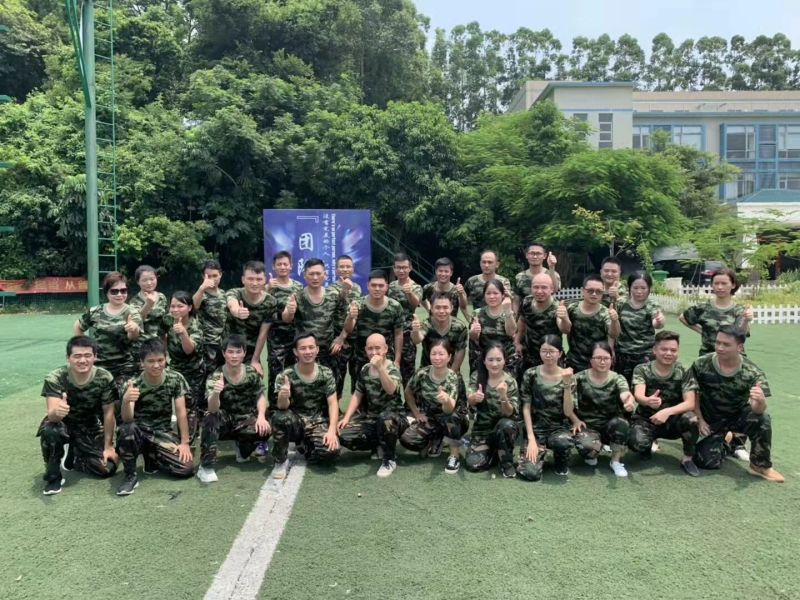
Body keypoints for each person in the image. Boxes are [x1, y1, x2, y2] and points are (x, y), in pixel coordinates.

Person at [686, 326, 784, 482]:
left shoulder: (753, 372)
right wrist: (700, 419)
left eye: (726, 344)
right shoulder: (701, 364)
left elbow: (757, 410)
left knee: (762, 418)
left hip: (736, 416)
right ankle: (728, 442)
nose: (720, 347)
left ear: (740, 347)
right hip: (710, 418)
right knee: (706, 462)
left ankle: (760, 465)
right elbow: (692, 393)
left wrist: (760, 401)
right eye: (718, 342)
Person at [38, 336, 119, 495]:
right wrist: (58, 412)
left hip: (90, 425)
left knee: (107, 468)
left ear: (95, 357)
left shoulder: (104, 377)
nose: (83, 360)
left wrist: (109, 446)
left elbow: (108, 413)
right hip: (62, 424)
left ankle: (75, 456)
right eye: (77, 356)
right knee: (50, 430)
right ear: (68, 358)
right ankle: (54, 476)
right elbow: (52, 416)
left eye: (88, 355)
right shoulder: (55, 378)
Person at [116, 339, 194, 495]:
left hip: (161, 432)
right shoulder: (133, 384)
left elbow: (181, 412)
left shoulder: (175, 378)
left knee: (186, 468)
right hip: (139, 432)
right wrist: (126, 400)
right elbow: (127, 419)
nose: (156, 365)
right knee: (127, 429)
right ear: (142, 362)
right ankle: (130, 476)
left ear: (166, 359)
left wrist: (184, 443)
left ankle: (152, 456)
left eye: (160, 360)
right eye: (151, 361)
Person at [196, 335, 271, 483]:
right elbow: (212, 408)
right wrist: (216, 393)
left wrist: (261, 416)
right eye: (230, 352)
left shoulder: (251, 373)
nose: (234, 356)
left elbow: (260, 396)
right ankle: (206, 467)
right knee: (210, 418)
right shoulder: (216, 376)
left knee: (267, 427)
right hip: (225, 421)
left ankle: (242, 447)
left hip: (244, 419)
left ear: (244, 353)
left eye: (238, 352)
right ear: (224, 353)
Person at [627, 331, 700, 476]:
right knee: (636, 442)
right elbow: (639, 395)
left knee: (691, 419)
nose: (668, 353)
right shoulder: (642, 369)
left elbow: (690, 403)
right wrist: (648, 401)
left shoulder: (684, 370)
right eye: (664, 349)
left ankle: (687, 458)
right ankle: (647, 445)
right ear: (654, 350)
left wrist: (667, 411)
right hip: (648, 419)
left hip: (673, 421)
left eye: (673, 350)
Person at [269, 332, 341, 479]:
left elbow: (333, 403)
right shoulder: (285, 375)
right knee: (279, 417)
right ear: (295, 352)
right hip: (296, 423)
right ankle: (280, 460)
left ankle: (306, 446)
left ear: (317, 349)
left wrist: (331, 431)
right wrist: (284, 395)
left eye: (311, 347)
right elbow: (282, 407)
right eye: (303, 348)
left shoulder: (326, 373)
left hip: (317, 423)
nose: (308, 352)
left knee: (331, 452)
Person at [338, 333, 407, 478]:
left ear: (386, 349)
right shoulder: (365, 369)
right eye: (370, 349)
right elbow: (358, 394)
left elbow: (391, 390)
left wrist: (381, 368)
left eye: (377, 348)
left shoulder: (392, 368)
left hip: (394, 419)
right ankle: (379, 444)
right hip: (372, 419)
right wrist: (347, 418)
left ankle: (389, 459)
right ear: (365, 350)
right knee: (344, 435)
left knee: (386, 419)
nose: (374, 352)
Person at [517, 336, 580, 481]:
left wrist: (566, 384)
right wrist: (531, 438)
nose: (548, 355)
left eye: (552, 351)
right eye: (544, 351)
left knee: (563, 442)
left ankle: (561, 457)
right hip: (536, 428)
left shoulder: (568, 376)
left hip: (559, 428)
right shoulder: (531, 374)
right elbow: (526, 408)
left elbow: (568, 412)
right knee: (531, 473)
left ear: (560, 353)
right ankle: (539, 452)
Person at [400, 340, 468, 474]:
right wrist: (417, 413)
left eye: (441, 354)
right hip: (431, 418)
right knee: (408, 439)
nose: (437, 358)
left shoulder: (453, 377)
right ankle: (436, 438)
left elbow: (449, 409)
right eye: (434, 354)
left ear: (449, 357)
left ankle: (454, 455)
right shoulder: (422, 373)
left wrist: (446, 400)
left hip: (454, 419)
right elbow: (408, 392)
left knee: (451, 418)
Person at [572, 341, 636, 477]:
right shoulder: (579, 378)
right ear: (591, 360)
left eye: (606, 358)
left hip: (609, 426)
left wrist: (628, 401)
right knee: (588, 451)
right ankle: (594, 450)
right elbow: (568, 403)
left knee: (622, 423)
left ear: (611, 360)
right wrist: (575, 420)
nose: (602, 362)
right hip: (587, 426)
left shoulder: (617, 378)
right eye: (598, 358)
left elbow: (625, 393)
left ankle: (615, 461)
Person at [282, 258, 349, 387]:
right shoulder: (297, 296)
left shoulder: (334, 295)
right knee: (304, 387)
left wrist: (341, 338)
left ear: (325, 274)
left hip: (328, 352)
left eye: (318, 273)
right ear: (305, 275)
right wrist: (290, 311)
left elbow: (346, 320)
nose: (315, 277)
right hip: (305, 353)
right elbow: (286, 318)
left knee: (331, 387)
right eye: (311, 274)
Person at [74, 271, 142, 384]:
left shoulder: (132, 312)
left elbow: (134, 337)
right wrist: (86, 349)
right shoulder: (96, 311)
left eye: (123, 291)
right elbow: (78, 327)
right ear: (107, 292)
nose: (119, 294)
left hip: (125, 367)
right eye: (114, 291)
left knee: (126, 394)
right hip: (99, 367)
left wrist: (133, 329)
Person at [464, 344, 519, 478]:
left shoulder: (510, 381)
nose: (494, 364)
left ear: (504, 361)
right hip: (482, 431)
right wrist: (475, 397)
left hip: (504, 430)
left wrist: (503, 396)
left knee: (506, 424)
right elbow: (470, 399)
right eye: (490, 360)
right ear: (484, 360)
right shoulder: (477, 376)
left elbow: (509, 413)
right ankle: (494, 453)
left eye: (499, 360)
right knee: (473, 465)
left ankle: (506, 462)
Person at [344, 270, 404, 386]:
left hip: (385, 358)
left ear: (386, 287)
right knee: (359, 391)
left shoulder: (395, 307)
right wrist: (350, 317)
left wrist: (397, 360)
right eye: (374, 285)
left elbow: (398, 334)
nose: (377, 289)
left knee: (385, 390)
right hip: (361, 358)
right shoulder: (358, 304)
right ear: (368, 286)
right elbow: (348, 330)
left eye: (381, 285)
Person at [679, 268, 753, 356]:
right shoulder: (703, 307)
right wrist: (702, 332)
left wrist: (746, 320)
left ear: (733, 285)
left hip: (733, 357)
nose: (720, 287)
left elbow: (742, 333)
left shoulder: (739, 310)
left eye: (724, 283)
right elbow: (683, 318)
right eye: (716, 283)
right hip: (708, 356)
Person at [224, 260, 278, 373]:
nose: (254, 283)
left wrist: (255, 360)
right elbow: (232, 303)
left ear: (265, 280)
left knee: (254, 376)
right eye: (250, 279)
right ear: (243, 279)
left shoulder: (270, 302)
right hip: (229, 350)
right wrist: (237, 311)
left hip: (251, 351)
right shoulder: (235, 293)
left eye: (259, 279)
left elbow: (263, 333)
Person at [558, 274, 620, 372]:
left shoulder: (605, 313)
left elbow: (614, 334)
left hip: (598, 363)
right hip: (574, 362)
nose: (594, 294)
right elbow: (565, 330)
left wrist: (614, 321)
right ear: (583, 291)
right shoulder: (572, 309)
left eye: (598, 291)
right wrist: (564, 318)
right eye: (590, 291)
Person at [265, 251, 304, 402]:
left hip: (294, 337)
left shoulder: (298, 287)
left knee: (294, 371)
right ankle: (274, 406)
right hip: (276, 338)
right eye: (279, 264)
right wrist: (267, 289)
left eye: (285, 264)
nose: (282, 267)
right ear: (274, 267)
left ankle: (292, 404)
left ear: (291, 266)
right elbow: (262, 306)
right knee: (276, 372)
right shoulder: (270, 286)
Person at [165, 291, 205, 436]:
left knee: (190, 406)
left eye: (180, 306)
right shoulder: (168, 320)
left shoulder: (196, 325)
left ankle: (190, 437)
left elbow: (189, 350)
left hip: (193, 371)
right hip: (173, 368)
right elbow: (160, 336)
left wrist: (183, 333)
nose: (175, 309)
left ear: (189, 308)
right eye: (173, 306)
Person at [616, 272, 665, 384]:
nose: (639, 291)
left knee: (644, 386)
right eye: (635, 288)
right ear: (629, 288)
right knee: (623, 386)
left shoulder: (652, 305)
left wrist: (659, 321)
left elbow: (657, 323)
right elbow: (614, 326)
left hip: (645, 355)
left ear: (649, 288)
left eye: (643, 288)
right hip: (623, 354)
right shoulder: (621, 303)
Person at [514, 273, 566, 373]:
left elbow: (563, 328)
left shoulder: (557, 307)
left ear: (552, 289)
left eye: (544, 287)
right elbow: (522, 322)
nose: (539, 291)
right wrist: (517, 342)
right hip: (529, 356)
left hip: (551, 357)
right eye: (536, 287)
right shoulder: (526, 302)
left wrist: (564, 318)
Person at [330, 254, 363, 397]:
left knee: (357, 374)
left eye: (348, 266)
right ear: (336, 270)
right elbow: (333, 307)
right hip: (339, 339)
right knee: (338, 375)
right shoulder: (331, 289)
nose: (345, 269)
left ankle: (357, 407)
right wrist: (344, 290)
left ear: (353, 269)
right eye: (341, 267)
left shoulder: (357, 288)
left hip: (356, 339)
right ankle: (335, 405)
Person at [387, 253, 422, 384]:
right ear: (394, 268)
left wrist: (409, 293)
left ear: (410, 268)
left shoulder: (416, 286)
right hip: (390, 335)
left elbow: (416, 303)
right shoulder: (390, 286)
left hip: (407, 335)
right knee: (389, 372)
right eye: (398, 267)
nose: (401, 271)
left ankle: (409, 397)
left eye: (404, 267)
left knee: (408, 374)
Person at [468, 278, 517, 373]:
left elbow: (511, 333)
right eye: (488, 293)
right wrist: (473, 332)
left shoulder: (508, 312)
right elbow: (474, 340)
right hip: (485, 359)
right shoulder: (477, 313)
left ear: (502, 295)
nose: (492, 296)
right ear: (484, 295)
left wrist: (508, 311)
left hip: (506, 360)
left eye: (495, 293)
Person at [411, 293, 467, 371]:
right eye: (437, 307)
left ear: (451, 308)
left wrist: (452, 373)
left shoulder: (459, 327)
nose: (441, 311)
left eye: (445, 307)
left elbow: (460, 351)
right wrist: (416, 331)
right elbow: (417, 340)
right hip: (427, 369)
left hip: (450, 369)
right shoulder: (427, 324)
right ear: (431, 308)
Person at [192, 259, 226, 370]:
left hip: (223, 342)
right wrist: (202, 288)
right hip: (207, 343)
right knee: (209, 374)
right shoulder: (202, 294)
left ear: (220, 274)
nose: (212, 279)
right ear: (203, 276)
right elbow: (193, 307)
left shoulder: (223, 294)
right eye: (208, 276)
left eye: (215, 275)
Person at [460, 249, 512, 319]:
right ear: (480, 263)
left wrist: (510, 296)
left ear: (497, 264)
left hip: (499, 322)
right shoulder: (472, 281)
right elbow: (463, 304)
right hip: (478, 322)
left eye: (490, 262)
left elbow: (509, 303)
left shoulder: (503, 282)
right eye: (484, 262)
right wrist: (470, 319)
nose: (486, 265)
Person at [513, 242, 561, 314]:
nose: (535, 256)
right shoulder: (519, 277)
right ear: (526, 255)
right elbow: (516, 300)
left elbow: (555, 290)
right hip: (527, 316)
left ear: (544, 256)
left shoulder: (552, 274)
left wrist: (551, 267)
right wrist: (515, 316)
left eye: (538, 253)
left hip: (549, 315)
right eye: (532, 253)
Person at [129, 265, 169, 342]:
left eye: (152, 279)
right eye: (144, 280)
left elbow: (165, 323)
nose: (149, 283)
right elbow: (136, 322)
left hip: (159, 342)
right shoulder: (134, 301)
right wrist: (148, 304)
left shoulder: (162, 297)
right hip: (142, 343)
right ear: (138, 282)